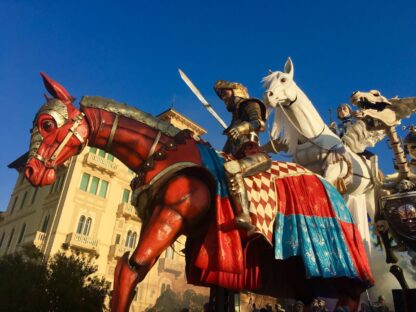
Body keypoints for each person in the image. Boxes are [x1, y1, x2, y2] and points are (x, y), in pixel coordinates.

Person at [214, 80, 271, 230]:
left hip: (253, 152)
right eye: (221, 96)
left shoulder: (250, 104)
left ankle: (244, 215)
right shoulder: (234, 119)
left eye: (224, 93)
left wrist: (242, 128)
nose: (223, 98)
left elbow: (259, 123)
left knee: (233, 169)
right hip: (235, 154)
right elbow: (227, 148)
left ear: (236, 91)